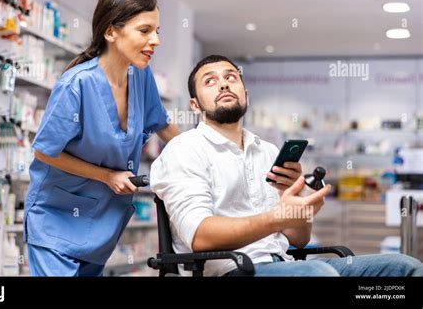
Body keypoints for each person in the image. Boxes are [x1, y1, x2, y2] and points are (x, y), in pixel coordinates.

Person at [150, 54, 423, 277]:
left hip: (285, 263)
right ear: (195, 105)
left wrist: (295, 205)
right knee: (318, 275)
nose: (223, 84)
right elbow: (200, 236)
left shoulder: (268, 151)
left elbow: (299, 240)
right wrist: (277, 217)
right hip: (229, 270)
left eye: (231, 78)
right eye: (210, 81)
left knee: (404, 268)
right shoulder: (184, 149)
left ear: (245, 94)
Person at [24, 0, 180, 276]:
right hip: (56, 219)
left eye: (157, 30)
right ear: (111, 32)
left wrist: (203, 154)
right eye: (145, 30)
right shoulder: (77, 85)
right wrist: (107, 176)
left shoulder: (140, 74)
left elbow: (161, 124)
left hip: (102, 223)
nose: (155, 40)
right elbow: (44, 153)